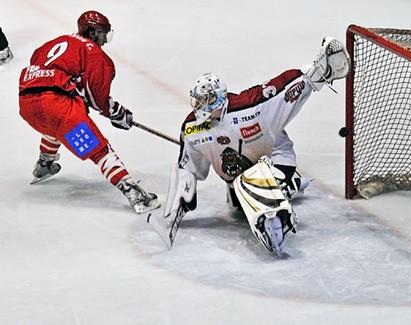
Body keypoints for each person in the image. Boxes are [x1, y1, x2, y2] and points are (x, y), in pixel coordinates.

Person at [158, 37, 350, 253]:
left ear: (219, 99)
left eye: (206, 100)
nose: (200, 107)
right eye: (198, 101)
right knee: (240, 203)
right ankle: (282, 188)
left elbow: (284, 86)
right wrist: (179, 203)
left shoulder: (252, 107)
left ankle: (283, 207)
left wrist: (318, 71)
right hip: (238, 177)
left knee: (257, 181)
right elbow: (188, 169)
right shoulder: (192, 129)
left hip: (276, 157)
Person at [18, 10, 160, 214]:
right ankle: (133, 193)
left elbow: (37, 62)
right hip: (59, 108)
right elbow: (97, 98)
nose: (105, 39)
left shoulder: (58, 41)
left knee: (54, 126)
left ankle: (44, 164)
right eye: (103, 33)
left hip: (27, 105)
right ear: (92, 32)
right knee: (99, 150)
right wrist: (116, 113)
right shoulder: (93, 52)